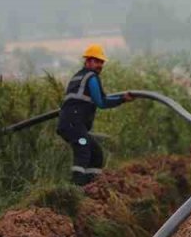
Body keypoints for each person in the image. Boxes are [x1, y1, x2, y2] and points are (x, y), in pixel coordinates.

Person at [57, 44, 136, 185]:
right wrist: (122, 99)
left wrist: (120, 98)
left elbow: (92, 99)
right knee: (83, 147)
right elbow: (101, 102)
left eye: (101, 62)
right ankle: (75, 187)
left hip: (70, 124)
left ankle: (92, 186)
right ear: (87, 61)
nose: (100, 65)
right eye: (96, 61)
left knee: (96, 153)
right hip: (73, 124)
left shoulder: (78, 76)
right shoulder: (91, 77)